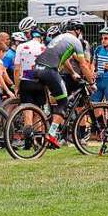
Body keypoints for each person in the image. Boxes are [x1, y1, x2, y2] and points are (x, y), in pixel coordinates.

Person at [33, 18, 95, 147]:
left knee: (54, 101)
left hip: (38, 68)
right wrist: (91, 81)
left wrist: (72, 73)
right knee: (63, 102)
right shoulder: (76, 42)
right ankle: (51, 134)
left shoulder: (60, 38)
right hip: (50, 70)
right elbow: (83, 65)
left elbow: (64, 59)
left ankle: (47, 122)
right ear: (78, 30)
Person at [14, 28, 46, 106]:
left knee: (27, 110)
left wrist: (16, 87)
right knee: (39, 112)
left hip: (26, 82)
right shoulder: (45, 48)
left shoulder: (21, 46)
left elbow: (17, 69)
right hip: (40, 82)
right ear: (41, 38)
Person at [90, 26, 108, 104]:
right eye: (102, 38)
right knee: (95, 104)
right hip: (98, 79)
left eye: (106, 38)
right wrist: (92, 72)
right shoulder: (98, 49)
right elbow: (93, 64)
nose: (103, 41)